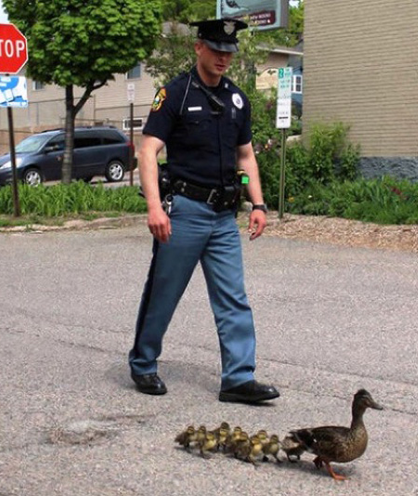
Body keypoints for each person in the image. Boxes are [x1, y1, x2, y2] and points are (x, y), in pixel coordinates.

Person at [128, 18, 280, 404]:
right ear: (198, 48)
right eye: (216, 50)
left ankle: (238, 378)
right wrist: (153, 207)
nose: (223, 58)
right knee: (164, 292)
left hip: (223, 217)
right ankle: (144, 364)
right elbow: (147, 151)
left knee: (233, 297)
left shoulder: (237, 100)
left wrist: (258, 203)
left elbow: (245, 157)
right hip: (184, 212)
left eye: (229, 52)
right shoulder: (175, 95)